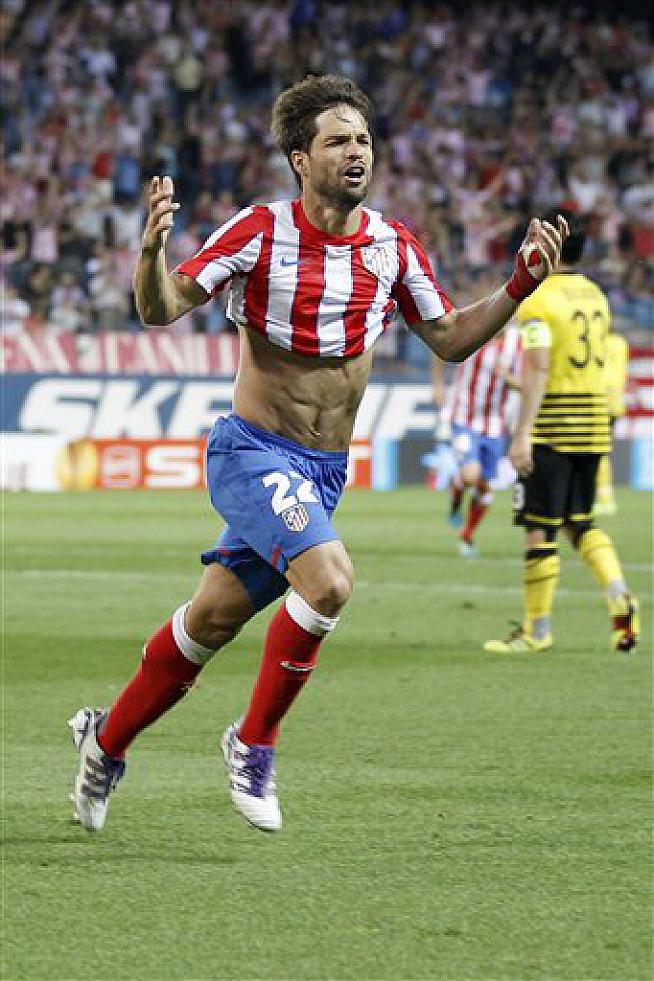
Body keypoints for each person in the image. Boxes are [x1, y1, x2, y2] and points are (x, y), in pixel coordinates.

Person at [68, 75, 567, 833]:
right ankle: (253, 743)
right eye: (337, 141)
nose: (356, 151)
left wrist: (517, 286)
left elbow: (450, 339)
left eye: (362, 138)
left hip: (323, 473)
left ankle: (105, 742)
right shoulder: (259, 231)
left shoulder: (393, 246)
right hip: (252, 452)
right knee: (330, 581)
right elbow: (160, 308)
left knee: (208, 624)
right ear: (301, 158)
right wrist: (150, 252)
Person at [484, 208, 639, 655]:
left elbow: (538, 368)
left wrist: (522, 434)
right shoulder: (596, 296)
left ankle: (537, 631)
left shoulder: (538, 300)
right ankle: (620, 596)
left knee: (539, 527)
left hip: (553, 425)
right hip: (593, 424)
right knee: (580, 522)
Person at [433, 319, 522, 557]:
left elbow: (526, 384)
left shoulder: (517, 343)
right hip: (464, 416)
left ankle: (467, 535)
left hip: (495, 425)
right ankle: (458, 495)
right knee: (471, 475)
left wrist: (507, 377)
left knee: (484, 486)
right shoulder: (474, 329)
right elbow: (439, 348)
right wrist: (438, 385)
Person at [594, 329, 630, 515]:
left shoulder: (598, 340)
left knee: (597, 449)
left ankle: (604, 497)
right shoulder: (621, 342)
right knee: (604, 448)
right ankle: (604, 495)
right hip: (616, 400)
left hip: (600, 397)